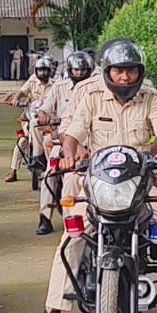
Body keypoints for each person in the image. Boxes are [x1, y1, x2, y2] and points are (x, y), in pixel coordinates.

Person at [25, 39, 157, 313]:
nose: (125, 77)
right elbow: (73, 133)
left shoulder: (149, 95)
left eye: (131, 71)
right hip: (98, 185)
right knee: (72, 241)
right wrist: (68, 155)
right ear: (108, 72)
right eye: (119, 71)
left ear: (140, 72)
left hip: (138, 183)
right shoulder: (92, 96)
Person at [32, 50, 94, 236]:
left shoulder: (95, 89)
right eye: (76, 70)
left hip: (90, 144)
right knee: (51, 172)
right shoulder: (59, 87)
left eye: (83, 70)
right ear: (69, 70)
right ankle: (45, 217)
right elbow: (46, 107)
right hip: (63, 141)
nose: (80, 74)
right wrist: (43, 115)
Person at [3, 57, 54, 183]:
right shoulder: (32, 81)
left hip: (49, 119)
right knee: (22, 141)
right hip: (30, 115)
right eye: (40, 71)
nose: (42, 73)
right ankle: (13, 171)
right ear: (36, 71)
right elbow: (22, 91)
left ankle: (49, 166)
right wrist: (16, 99)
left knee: (51, 141)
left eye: (45, 71)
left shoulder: (56, 84)